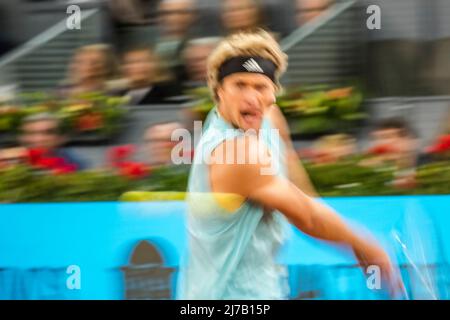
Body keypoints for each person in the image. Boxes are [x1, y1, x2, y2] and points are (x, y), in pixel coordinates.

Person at [176, 30, 403, 299]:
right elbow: (305, 215)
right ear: (219, 91)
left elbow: (303, 197)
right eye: (239, 84)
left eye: (260, 86)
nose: (251, 97)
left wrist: (337, 231)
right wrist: (365, 245)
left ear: (274, 93)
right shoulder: (236, 151)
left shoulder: (270, 118)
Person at [19, 113, 86, 171]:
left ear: (63, 137)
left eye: (48, 133)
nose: (39, 139)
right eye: (31, 133)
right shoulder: (14, 162)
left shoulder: (77, 165)